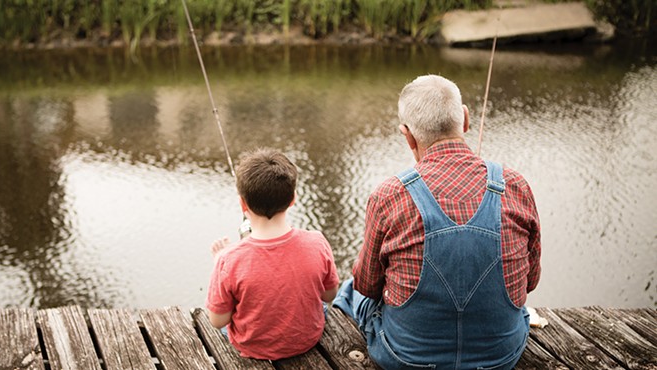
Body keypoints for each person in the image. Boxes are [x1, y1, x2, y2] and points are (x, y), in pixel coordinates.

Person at [333, 75, 541, 369]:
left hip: (406, 360)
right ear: (465, 119)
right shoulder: (516, 185)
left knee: (352, 288)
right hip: (500, 358)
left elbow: (368, 285)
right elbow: (530, 281)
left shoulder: (389, 196)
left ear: (407, 135)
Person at [206, 147, 340, 360]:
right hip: (307, 339)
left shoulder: (227, 259)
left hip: (254, 348)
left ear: (243, 204)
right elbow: (329, 295)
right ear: (293, 198)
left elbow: (217, 320)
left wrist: (218, 265)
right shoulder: (316, 241)